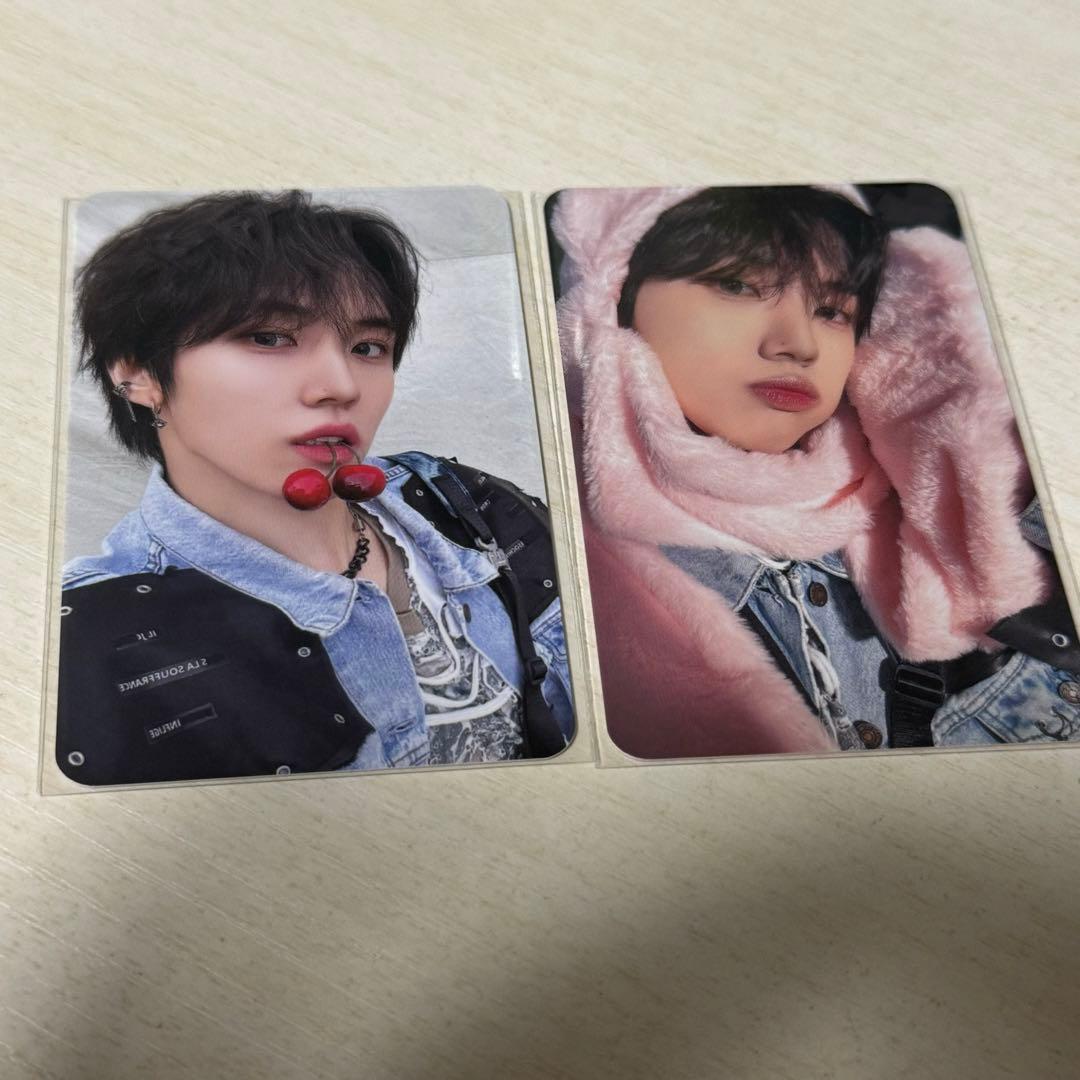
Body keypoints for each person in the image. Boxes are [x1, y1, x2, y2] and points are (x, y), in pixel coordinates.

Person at [57, 189, 573, 785]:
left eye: (368, 347)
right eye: (269, 337)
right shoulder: (90, 642)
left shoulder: (467, 502)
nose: (341, 385)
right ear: (137, 374)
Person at [551, 184, 1080, 757]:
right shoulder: (547, 579)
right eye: (738, 285)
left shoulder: (965, 521)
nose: (800, 344)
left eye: (831, 311)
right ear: (610, 299)